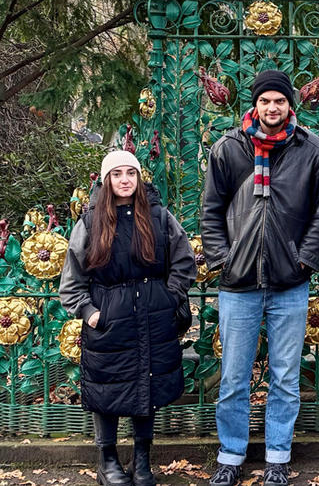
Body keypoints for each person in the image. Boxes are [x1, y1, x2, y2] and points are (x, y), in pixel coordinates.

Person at [201, 69, 319, 486]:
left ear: (290, 105)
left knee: (285, 377)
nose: (272, 108)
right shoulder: (228, 149)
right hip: (238, 283)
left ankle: (278, 456)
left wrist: (304, 261)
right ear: (254, 105)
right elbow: (211, 211)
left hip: (289, 282)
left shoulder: (312, 150)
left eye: (279, 101)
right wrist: (223, 259)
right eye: (265, 101)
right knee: (235, 377)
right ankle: (231, 455)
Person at [60, 150, 196, 486]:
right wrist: (91, 314)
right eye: (117, 174)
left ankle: (142, 460)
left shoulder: (159, 217)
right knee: (106, 390)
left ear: (139, 178)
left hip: (152, 316)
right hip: (109, 320)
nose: (125, 180)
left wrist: (169, 296)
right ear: (107, 180)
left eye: (131, 173)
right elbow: (72, 279)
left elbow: (184, 261)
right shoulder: (90, 221)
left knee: (145, 386)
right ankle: (108, 461)